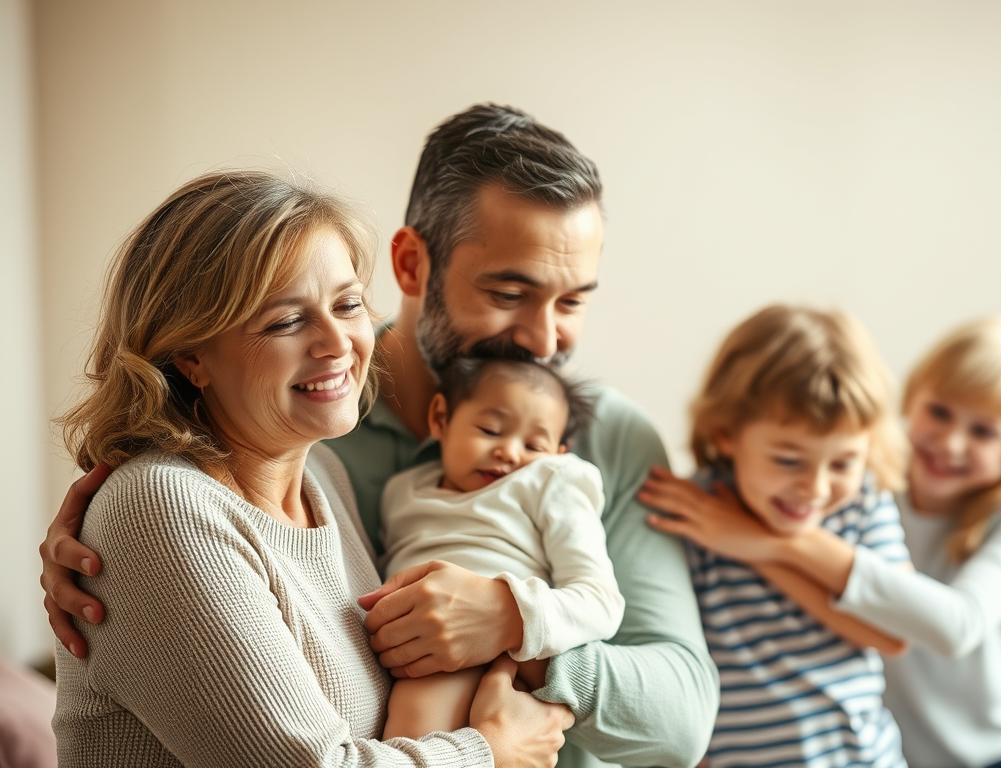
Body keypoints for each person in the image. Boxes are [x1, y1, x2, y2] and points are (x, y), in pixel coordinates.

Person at [41, 103, 717, 768]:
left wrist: (515, 630)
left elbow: (682, 720)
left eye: (571, 302)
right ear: (413, 265)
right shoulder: (320, 437)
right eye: (509, 294)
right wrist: (490, 752)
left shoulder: (318, 473)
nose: (544, 341)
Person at [50, 169, 570, 766]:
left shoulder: (326, 481)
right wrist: (491, 752)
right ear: (191, 355)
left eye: (348, 304)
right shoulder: (160, 509)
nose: (338, 342)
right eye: (286, 320)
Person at [644, 314, 1001, 767]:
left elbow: (927, 630)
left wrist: (765, 545)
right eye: (940, 412)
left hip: (989, 751)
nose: (816, 489)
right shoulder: (705, 509)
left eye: (983, 431)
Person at [640, 304, 912, 766]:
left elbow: (895, 631)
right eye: (789, 460)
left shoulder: (864, 499)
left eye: (844, 462)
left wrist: (761, 547)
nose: (817, 488)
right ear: (726, 434)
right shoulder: (693, 513)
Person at [378, 357, 623, 738]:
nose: (509, 452)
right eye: (490, 430)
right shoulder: (400, 491)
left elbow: (601, 602)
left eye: (533, 444)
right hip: (402, 646)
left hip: (492, 654)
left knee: (415, 725)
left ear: (559, 452)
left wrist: (514, 619)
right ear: (440, 419)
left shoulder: (551, 481)